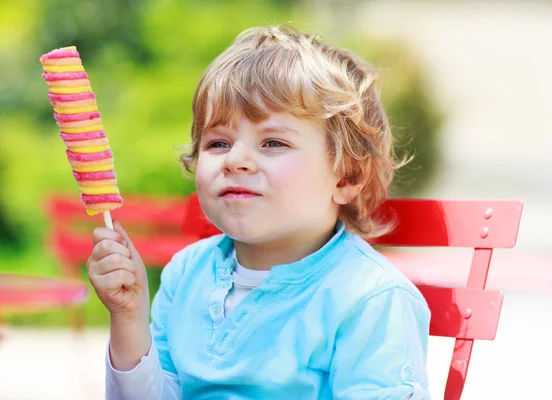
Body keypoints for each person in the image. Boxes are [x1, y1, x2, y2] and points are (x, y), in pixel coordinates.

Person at [88, 24, 431, 399]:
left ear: (346, 176)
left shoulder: (368, 298)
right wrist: (129, 318)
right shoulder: (186, 274)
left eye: (272, 142)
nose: (236, 160)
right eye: (218, 142)